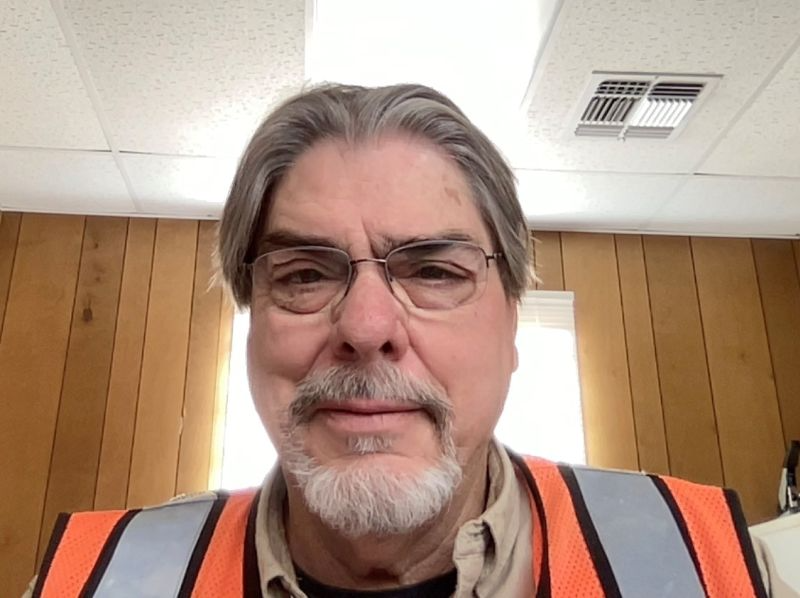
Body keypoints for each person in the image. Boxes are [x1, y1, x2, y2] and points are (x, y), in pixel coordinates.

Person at [29, 84, 768, 597]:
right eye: (306, 274)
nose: (366, 328)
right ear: (252, 318)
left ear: (513, 323)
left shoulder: (716, 566)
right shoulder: (86, 581)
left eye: (435, 270)